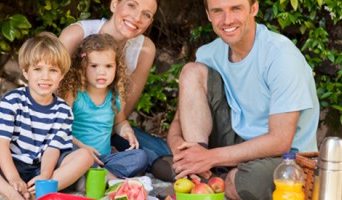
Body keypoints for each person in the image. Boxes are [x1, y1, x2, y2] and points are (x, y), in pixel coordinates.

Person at [166, 0, 320, 199]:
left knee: (248, 182)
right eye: (218, 11)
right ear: (208, 14)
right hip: (233, 145)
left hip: (287, 157)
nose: (227, 19)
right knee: (190, 72)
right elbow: (181, 118)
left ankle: (207, 175)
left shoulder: (281, 56)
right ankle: (199, 174)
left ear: (253, 9)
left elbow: (280, 141)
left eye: (236, 8)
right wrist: (182, 151)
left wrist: (209, 157)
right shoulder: (209, 53)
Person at [0, 32, 94, 200]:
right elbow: (1, 145)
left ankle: (42, 188)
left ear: (62, 75)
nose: (45, 76)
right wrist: (14, 178)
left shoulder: (63, 110)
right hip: (5, 164)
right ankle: (9, 191)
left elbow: (52, 150)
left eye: (53, 70)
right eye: (38, 69)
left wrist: (44, 175)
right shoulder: (12, 100)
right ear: (26, 72)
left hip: (40, 167)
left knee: (85, 156)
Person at [59, 0, 172, 171]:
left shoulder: (145, 49)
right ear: (113, 5)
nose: (137, 17)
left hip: (106, 128)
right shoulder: (76, 35)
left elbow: (122, 113)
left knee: (163, 153)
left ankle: (99, 168)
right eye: (131, 5)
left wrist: (114, 134)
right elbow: (49, 105)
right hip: (67, 133)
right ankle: (88, 171)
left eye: (146, 14)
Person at [58, 33, 148, 179]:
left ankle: (95, 175)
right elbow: (60, 128)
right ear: (82, 67)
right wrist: (84, 149)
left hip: (104, 159)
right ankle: (103, 177)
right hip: (76, 154)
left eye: (108, 66)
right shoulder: (74, 92)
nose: (102, 72)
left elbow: (120, 122)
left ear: (117, 67)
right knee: (72, 156)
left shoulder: (116, 94)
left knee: (140, 157)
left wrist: (127, 131)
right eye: (94, 66)